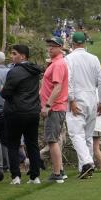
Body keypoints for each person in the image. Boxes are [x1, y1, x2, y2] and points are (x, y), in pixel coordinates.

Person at [65, 31, 101, 180]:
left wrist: (71, 100)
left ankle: (87, 162)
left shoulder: (68, 59)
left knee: (76, 134)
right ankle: (85, 168)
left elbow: (68, 81)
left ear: (73, 43)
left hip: (77, 98)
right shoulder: (94, 59)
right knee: (87, 136)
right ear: (84, 43)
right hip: (92, 98)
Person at [1, 44, 43, 185]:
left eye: (14, 53)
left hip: (16, 112)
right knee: (32, 144)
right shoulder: (34, 71)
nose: (11, 56)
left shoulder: (15, 72)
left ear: (23, 56)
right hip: (32, 111)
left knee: (13, 144)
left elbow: (5, 93)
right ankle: (35, 176)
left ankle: (16, 176)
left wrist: (3, 90)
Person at [40, 36, 69, 183]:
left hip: (55, 107)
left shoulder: (58, 64)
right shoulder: (55, 63)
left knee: (51, 140)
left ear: (60, 47)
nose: (50, 48)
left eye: (53, 46)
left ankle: (57, 173)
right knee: (54, 139)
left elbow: (57, 87)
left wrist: (47, 106)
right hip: (56, 107)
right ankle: (60, 170)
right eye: (49, 45)